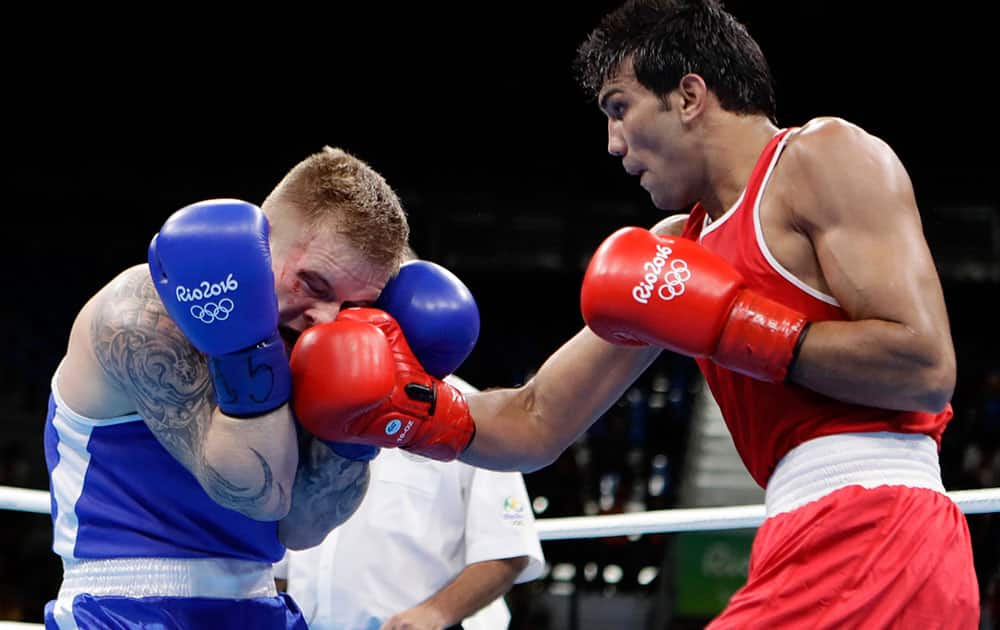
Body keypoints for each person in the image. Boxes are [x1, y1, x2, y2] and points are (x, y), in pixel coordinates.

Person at [289, 1, 978, 627]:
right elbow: (535, 421)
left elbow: (924, 367)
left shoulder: (823, 155)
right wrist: (415, 409)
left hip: (883, 526)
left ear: (688, 95)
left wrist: (732, 324)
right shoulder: (674, 252)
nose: (613, 144)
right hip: (800, 534)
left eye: (619, 108)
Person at [42, 146, 413, 628]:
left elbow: (302, 528)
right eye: (313, 284)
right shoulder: (140, 315)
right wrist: (246, 350)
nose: (325, 319)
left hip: (261, 602)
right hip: (123, 603)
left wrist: (356, 435)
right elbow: (255, 497)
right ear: (259, 241)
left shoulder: (312, 349)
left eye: (351, 306)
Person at [275, 372, 545, 630]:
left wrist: (436, 612)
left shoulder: (469, 411)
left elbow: (507, 550)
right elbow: (283, 558)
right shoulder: (312, 402)